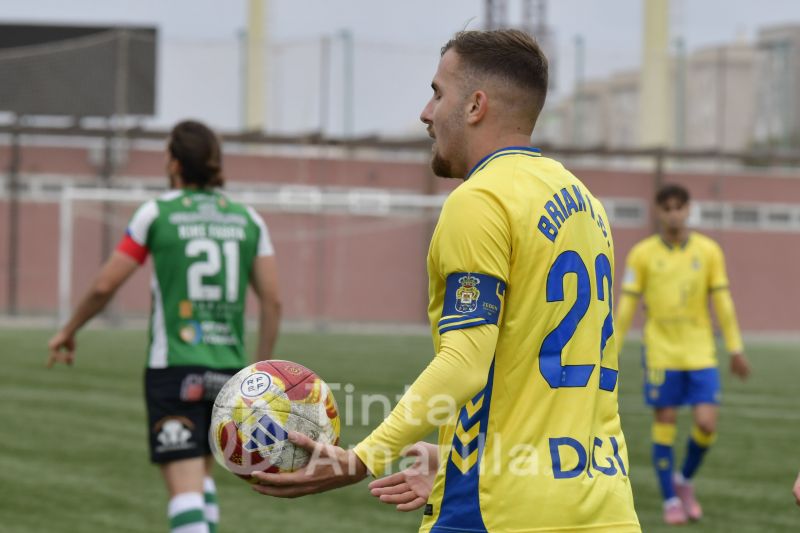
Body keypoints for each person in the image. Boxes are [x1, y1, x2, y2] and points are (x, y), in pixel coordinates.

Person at [249, 29, 640, 532]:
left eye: (438, 93)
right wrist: (458, 452)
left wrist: (363, 457)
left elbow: (465, 361)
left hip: (500, 511)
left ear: (475, 105)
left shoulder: (481, 199)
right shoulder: (585, 201)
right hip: (603, 506)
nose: (426, 113)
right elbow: (539, 375)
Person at [47, 120, 282, 533]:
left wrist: (69, 330)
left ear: (174, 163)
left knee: (185, 489)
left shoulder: (157, 213)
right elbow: (273, 301)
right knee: (200, 479)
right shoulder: (248, 220)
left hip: (174, 370)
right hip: (229, 374)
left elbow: (105, 285)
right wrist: (258, 373)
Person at [615, 183, 750, 525]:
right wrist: (610, 352)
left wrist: (735, 348)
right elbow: (626, 307)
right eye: (667, 207)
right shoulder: (642, 254)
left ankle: (684, 480)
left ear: (689, 209)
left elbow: (723, 302)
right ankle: (671, 500)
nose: (673, 213)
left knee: (706, 423)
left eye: (679, 207)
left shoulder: (708, 251)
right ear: (658, 212)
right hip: (661, 353)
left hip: (700, 351)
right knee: (665, 425)